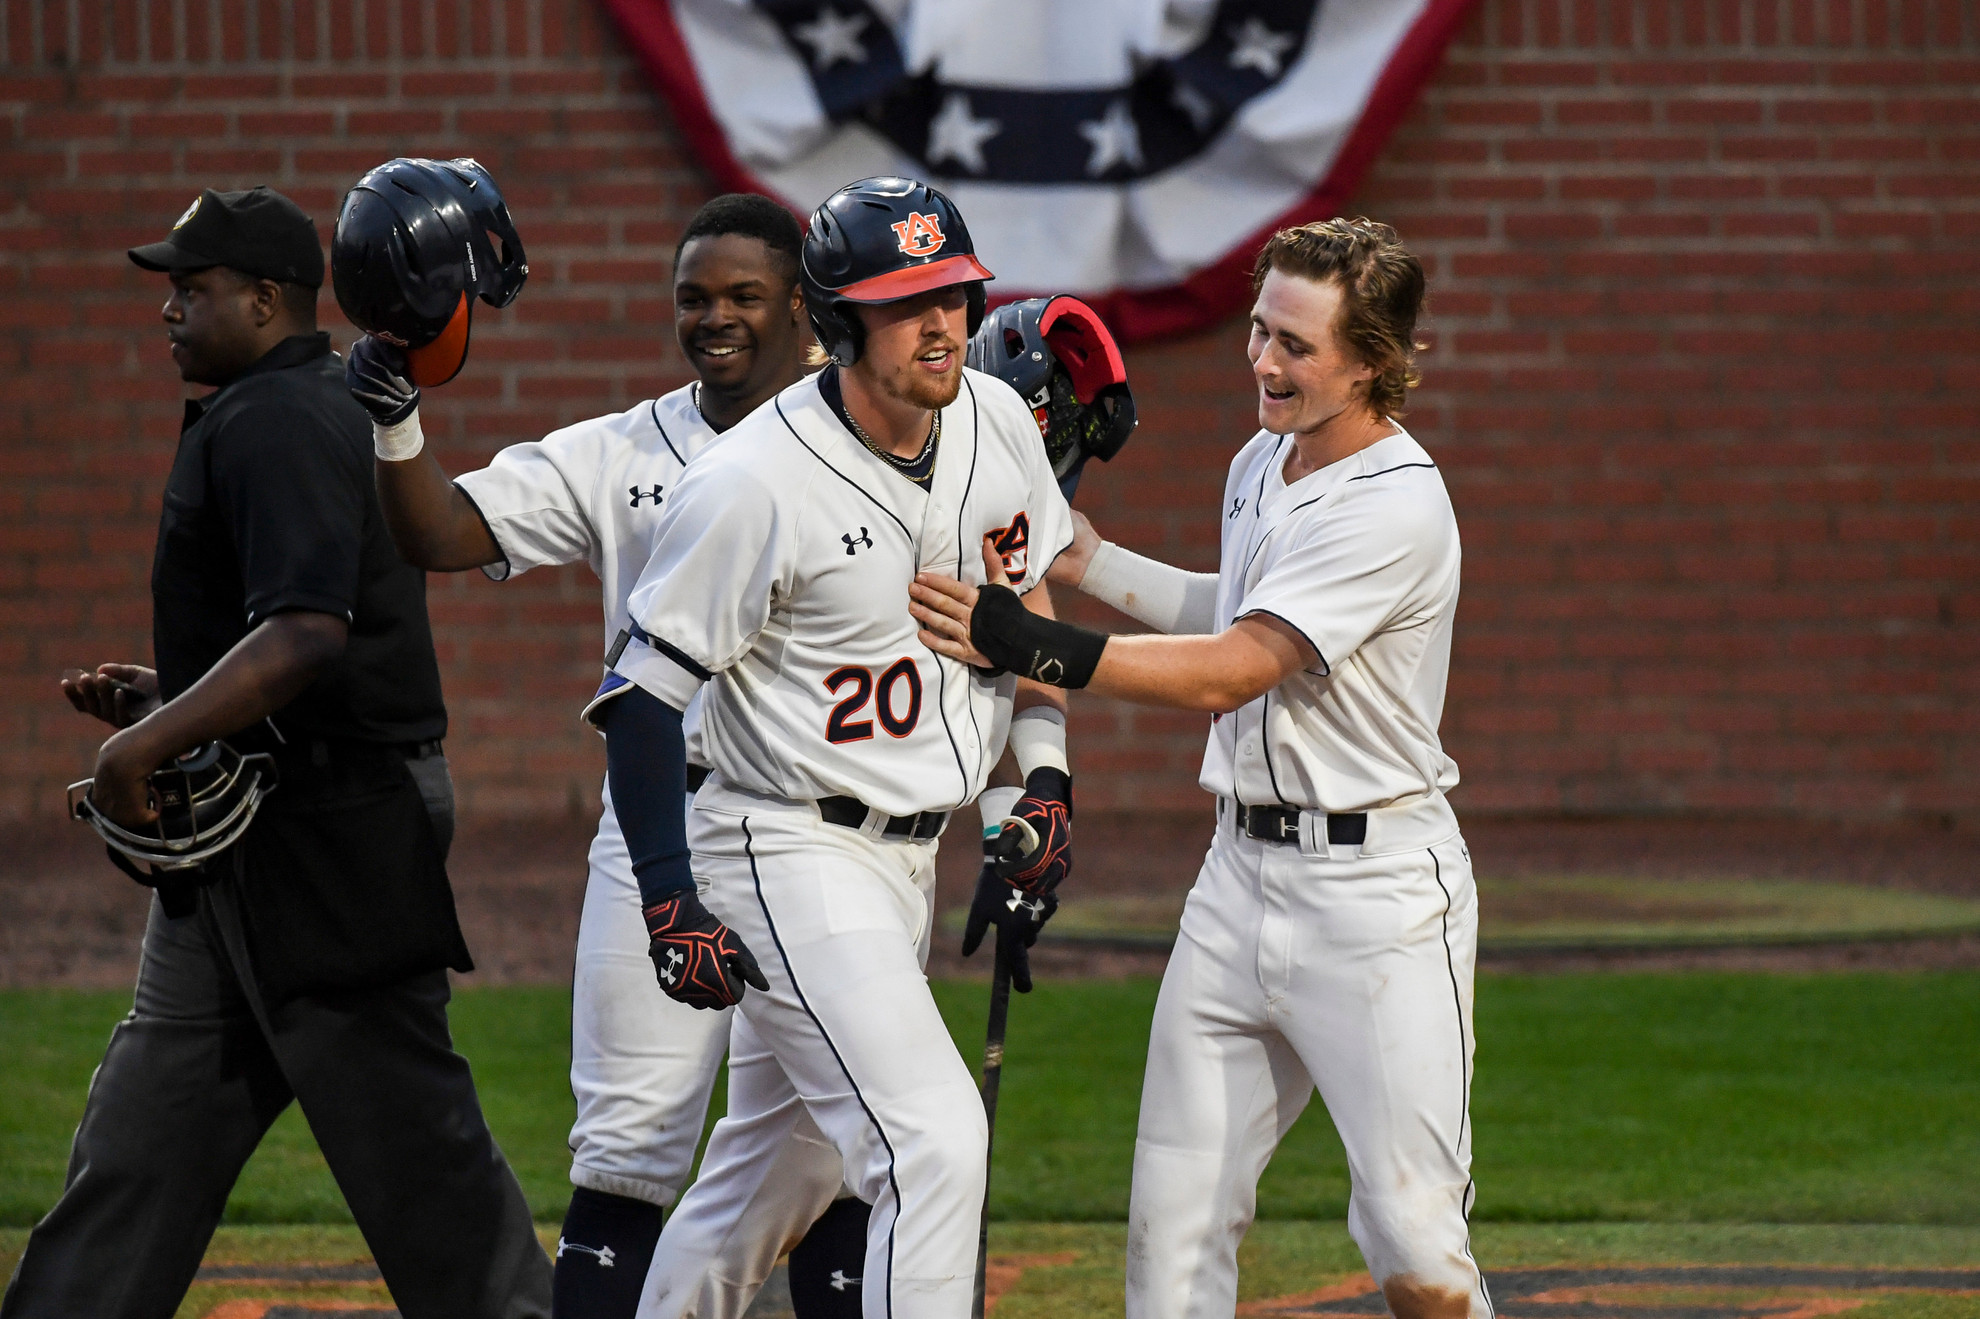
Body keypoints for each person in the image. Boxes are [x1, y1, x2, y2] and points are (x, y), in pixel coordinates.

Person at [909, 218, 1493, 1319]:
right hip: (1235, 882)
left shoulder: (1398, 501)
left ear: (1373, 360)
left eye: (1297, 346)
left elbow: (1233, 668)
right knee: (1172, 1233)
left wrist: (1030, 641)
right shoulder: (1262, 460)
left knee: (1415, 1240)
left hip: (1376, 900)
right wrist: (1078, 554)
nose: (1265, 362)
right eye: (1260, 330)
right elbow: (1233, 607)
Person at [345, 190, 901, 1319]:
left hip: (834, 837)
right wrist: (396, 418)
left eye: (745, 295)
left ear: (803, 305)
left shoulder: (875, 444)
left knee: (839, 1152)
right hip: (668, 825)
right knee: (628, 1152)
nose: (715, 318)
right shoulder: (625, 450)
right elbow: (441, 531)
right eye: (694, 297)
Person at [4, 186, 552, 1319]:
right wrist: (173, 699)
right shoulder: (282, 405)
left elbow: (309, 631)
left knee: (420, 1160)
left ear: (264, 300)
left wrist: (137, 750)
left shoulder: (279, 417)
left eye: (191, 290)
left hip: (330, 825)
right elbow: (292, 628)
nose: (168, 310)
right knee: (143, 1142)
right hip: (271, 821)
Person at [570, 176, 1073, 1319]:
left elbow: (1025, 606)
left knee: (777, 1172)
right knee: (934, 1141)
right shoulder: (753, 481)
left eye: (953, 292)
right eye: (907, 304)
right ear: (839, 320)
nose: (943, 323)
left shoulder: (995, 420)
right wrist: (665, 899)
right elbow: (640, 698)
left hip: (906, 857)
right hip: (780, 845)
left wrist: (1040, 779)